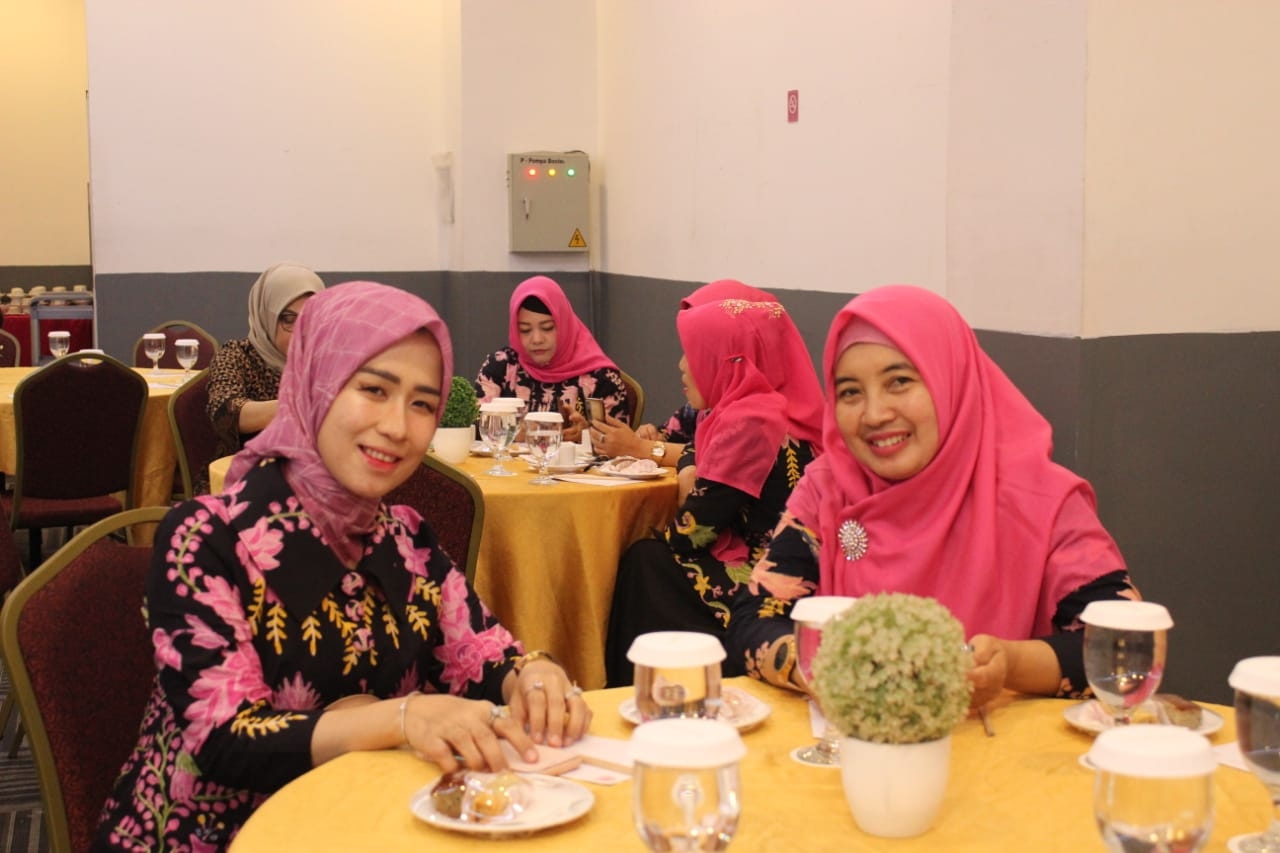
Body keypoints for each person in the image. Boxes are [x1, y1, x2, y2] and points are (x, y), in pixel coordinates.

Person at [95, 281, 591, 850]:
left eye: (422, 404)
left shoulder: (405, 538)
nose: (398, 427)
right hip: (215, 837)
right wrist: (402, 718)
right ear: (315, 384)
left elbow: (481, 656)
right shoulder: (208, 539)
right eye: (373, 390)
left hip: (366, 822)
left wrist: (533, 676)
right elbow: (225, 739)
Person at [725, 284, 1139, 708]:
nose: (874, 414)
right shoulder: (829, 488)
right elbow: (754, 621)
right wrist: (831, 669)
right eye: (850, 391)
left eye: (899, 382)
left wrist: (1010, 664)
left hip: (1000, 741)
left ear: (950, 380)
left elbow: (1122, 647)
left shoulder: (1041, 501)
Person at [603, 282, 825, 686]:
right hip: (790, 571)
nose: (681, 365)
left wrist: (687, 475)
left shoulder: (749, 423)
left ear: (729, 360)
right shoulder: (769, 410)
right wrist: (689, 464)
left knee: (645, 562)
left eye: (693, 353)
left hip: (768, 583)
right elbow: (690, 450)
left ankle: (642, 689)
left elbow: (689, 534)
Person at [475, 275, 629, 443]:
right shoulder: (501, 366)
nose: (537, 339)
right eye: (525, 330)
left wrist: (585, 437)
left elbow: (619, 445)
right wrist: (518, 433)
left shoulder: (601, 378)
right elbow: (472, 424)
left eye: (547, 328)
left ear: (565, 325)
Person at [206, 262, 325, 462]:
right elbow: (226, 413)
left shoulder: (325, 359)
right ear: (266, 317)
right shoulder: (236, 355)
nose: (301, 331)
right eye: (289, 319)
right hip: (247, 470)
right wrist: (298, 407)